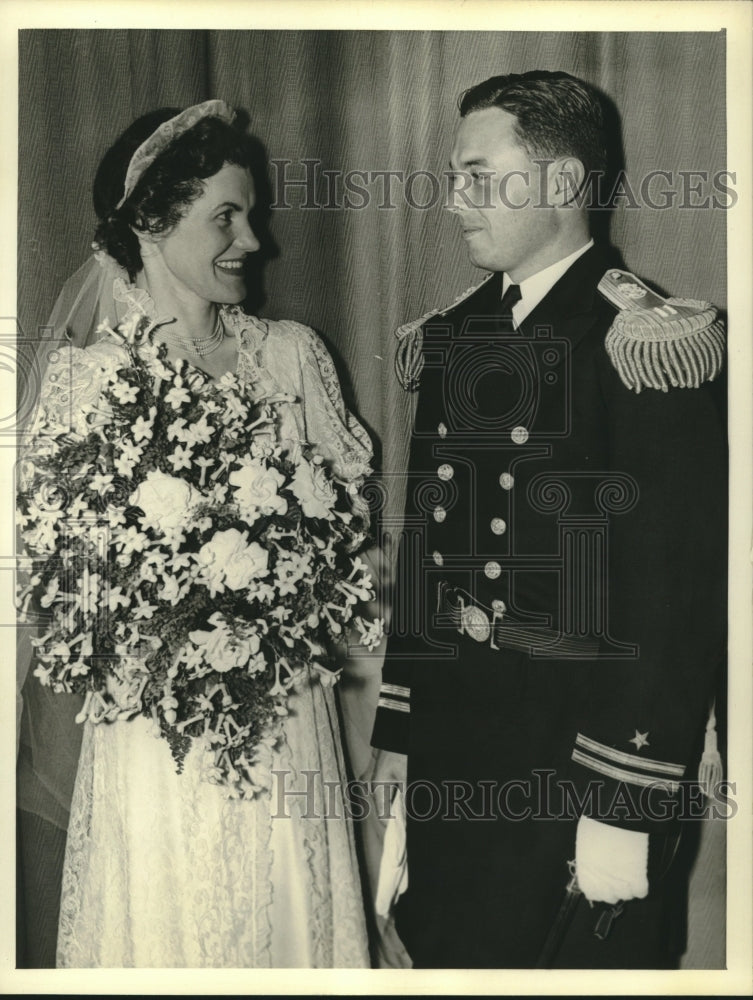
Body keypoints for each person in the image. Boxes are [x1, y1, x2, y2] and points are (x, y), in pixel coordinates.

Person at [369, 71, 727, 968]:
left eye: (480, 177)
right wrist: (401, 736)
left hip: (574, 763)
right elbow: (429, 548)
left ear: (564, 185)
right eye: (454, 176)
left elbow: (671, 593)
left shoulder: (643, 340)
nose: (455, 201)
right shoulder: (454, 335)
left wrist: (624, 798)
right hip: (456, 754)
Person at [17, 100, 373, 968]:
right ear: (149, 221)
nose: (252, 240)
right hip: (154, 735)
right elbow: (56, 584)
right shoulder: (89, 382)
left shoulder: (289, 355)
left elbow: (354, 537)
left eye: (251, 215)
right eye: (226, 216)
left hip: (287, 717)